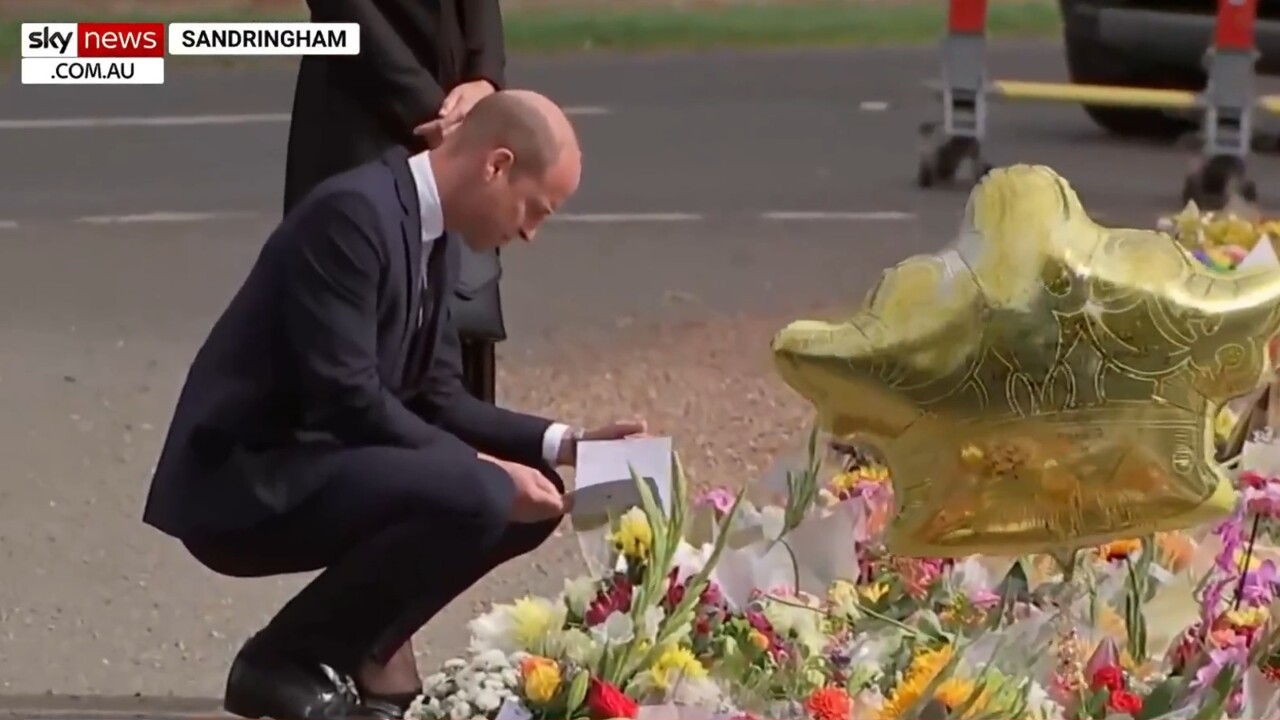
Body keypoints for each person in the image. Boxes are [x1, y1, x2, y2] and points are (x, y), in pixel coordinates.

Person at [143, 90, 646, 720]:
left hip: (317, 456)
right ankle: (280, 662)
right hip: (246, 476)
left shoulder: (427, 228)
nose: (530, 233)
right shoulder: (354, 215)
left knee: (528, 499)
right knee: (483, 494)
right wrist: (485, 470)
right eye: (533, 209)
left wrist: (564, 444)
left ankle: (349, 653)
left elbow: (435, 396)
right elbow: (344, 399)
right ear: (496, 165)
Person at [284, 0, 512, 405]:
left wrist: (484, 78)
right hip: (361, 114)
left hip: (459, 107)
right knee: (359, 343)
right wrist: (434, 111)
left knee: (459, 334)